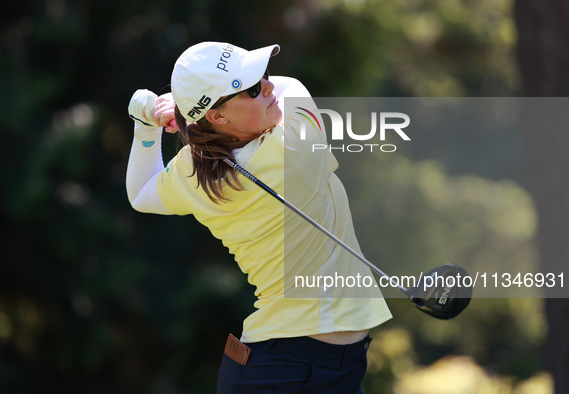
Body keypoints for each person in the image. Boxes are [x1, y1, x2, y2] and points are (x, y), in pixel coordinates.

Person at [126, 41, 392, 393]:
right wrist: (184, 112)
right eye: (251, 88)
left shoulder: (193, 170)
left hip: (302, 367)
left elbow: (141, 192)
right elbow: (290, 85)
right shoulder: (296, 148)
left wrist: (146, 124)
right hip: (286, 369)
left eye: (263, 75)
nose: (267, 87)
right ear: (218, 117)